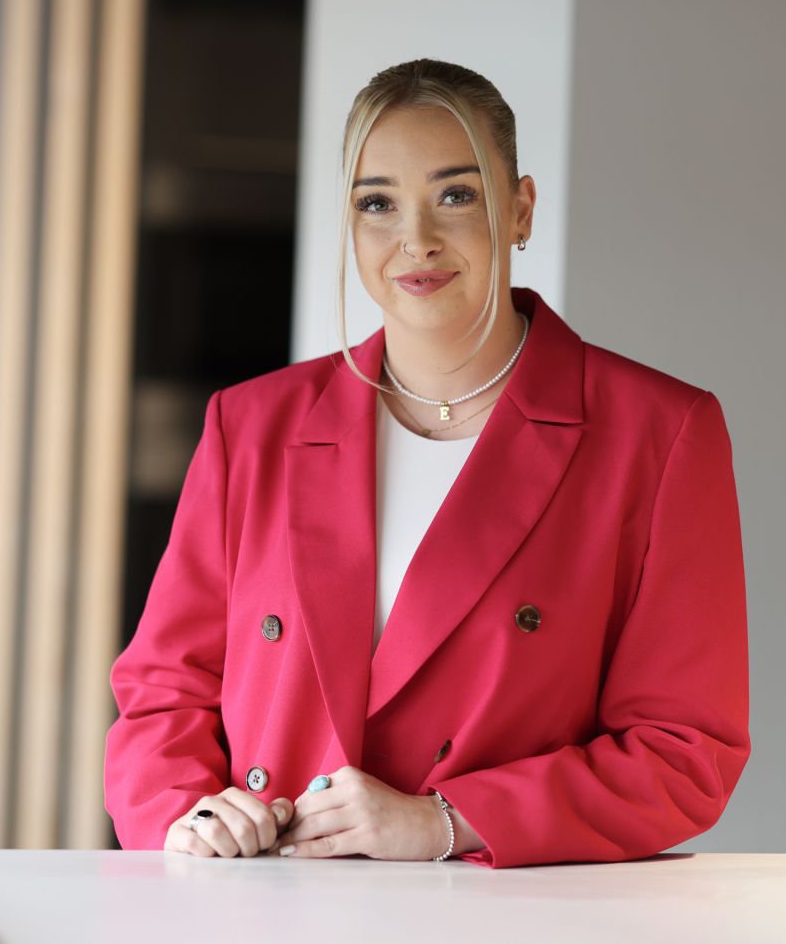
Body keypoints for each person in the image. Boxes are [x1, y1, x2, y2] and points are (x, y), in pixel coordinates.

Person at [101, 58, 750, 868]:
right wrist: (185, 816)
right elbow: (163, 694)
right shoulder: (253, 424)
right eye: (378, 202)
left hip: (505, 918)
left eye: (457, 194)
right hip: (266, 906)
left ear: (519, 209)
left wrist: (444, 821)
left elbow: (685, 752)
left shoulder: (659, 432)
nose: (416, 239)